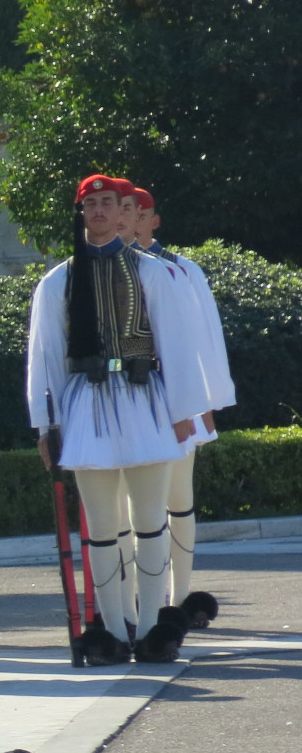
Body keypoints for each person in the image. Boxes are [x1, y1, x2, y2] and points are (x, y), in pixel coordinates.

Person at [27, 175, 206, 658]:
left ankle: (150, 626)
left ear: (122, 210)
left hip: (143, 396)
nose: (101, 211)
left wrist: (184, 410)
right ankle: (111, 625)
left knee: (149, 520)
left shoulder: (152, 273)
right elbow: (45, 357)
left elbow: (178, 347)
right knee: (101, 526)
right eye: (92, 204)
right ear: (82, 212)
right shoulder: (59, 280)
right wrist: (47, 426)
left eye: (109, 203)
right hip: (87, 403)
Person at [128, 186, 233, 608]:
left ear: (153, 220)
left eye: (141, 213)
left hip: (174, 393)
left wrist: (204, 400)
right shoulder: (105, 268)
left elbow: (202, 340)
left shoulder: (180, 270)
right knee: (130, 508)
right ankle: (137, 597)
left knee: (178, 497)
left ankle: (182, 594)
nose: (132, 220)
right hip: (129, 395)